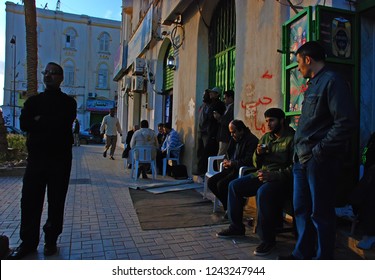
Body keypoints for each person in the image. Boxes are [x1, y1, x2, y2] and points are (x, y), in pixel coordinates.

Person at [279, 41, 356, 260]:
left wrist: (319, 152)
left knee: (320, 214)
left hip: (318, 160)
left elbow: (345, 123)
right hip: (301, 159)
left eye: (298, 62)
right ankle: (302, 254)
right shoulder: (313, 84)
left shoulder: (333, 81)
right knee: (301, 210)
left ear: (307, 59)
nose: (297, 67)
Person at [8, 62, 77, 259]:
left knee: (56, 201)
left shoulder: (68, 103)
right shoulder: (33, 102)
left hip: (60, 161)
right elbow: (24, 123)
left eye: (53, 73)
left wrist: (39, 121)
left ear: (61, 77)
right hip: (36, 160)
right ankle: (28, 242)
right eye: (45, 72)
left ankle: (51, 241)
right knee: (29, 200)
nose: (48, 76)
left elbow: (61, 124)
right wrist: (42, 121)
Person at [216, 108, 295, 257]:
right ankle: (236, 227)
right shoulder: (266, 138)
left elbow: (294, 167)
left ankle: (267, 240)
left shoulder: (292, 138)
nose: (268, 124)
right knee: (234, 186)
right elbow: (255, 164)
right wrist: (258, 154)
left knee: (263, 193)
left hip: (279, 179)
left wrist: (275, 175)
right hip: (262, 174)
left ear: (282, 121)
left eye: (272, 120)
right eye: (266, 121)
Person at [207, 119, 258, 214]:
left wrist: (233, 163)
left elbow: (249, 160)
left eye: (234, 132)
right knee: (211, 182)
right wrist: (227, 161)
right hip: (231, 169)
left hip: (241, 170)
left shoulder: (251, 141)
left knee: (221, 185)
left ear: (241, 130)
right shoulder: (234, 139)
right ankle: (229, 207)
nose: (232, 135)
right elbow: (228, 153)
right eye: (231, 132)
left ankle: (231, 209)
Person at [214, 90, 234, 168]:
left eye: (225, 98)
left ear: (230, 98)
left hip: (226, 137)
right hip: (223, 136)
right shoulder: (227, 108)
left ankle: (220, 171)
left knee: (221, 156)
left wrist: (219, 118)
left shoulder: (232, 108)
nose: (224, 100)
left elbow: (228, 121)